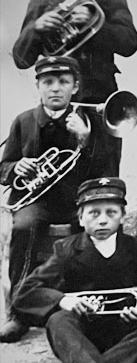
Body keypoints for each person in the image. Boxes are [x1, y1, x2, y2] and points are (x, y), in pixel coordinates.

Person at [0, 57, 112, 343]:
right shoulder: (24, 120)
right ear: (38, 85)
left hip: (76, 200)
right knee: (25, 226)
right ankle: (18, 310)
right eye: (48, 82)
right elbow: (3, 168)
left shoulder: (89, 122)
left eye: (63, 82)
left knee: (92, 229)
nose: (55, 89)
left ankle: (89, 305)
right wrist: (17, 168)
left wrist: (85, 140)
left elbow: (103, 172)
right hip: (35, 200)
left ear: (75, 87)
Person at [12, 0, 137, 175]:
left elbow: (130, 43)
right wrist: (35, 28)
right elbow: (20, 59)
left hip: (99, 96)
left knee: (103, 172)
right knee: (62, 174)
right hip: (58, 102)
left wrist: (95, 26)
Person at [13, 177, 137, 363]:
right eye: (94, 213)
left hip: (121, 329)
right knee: (58, 321)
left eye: (111, 212)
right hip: (82, 330)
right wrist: (63, 300)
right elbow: (25, 292)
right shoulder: (66, 249)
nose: (102, 220)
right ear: (81, 218)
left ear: (122, 217)